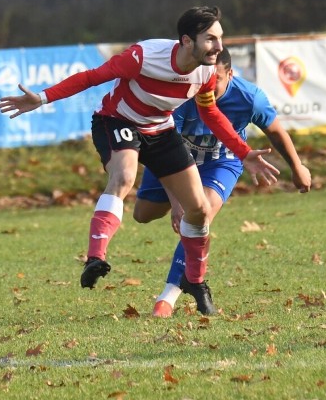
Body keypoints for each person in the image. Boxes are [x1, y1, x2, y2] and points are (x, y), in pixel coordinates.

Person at [0, 6, 280, 315]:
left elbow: (210, 113)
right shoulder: (144, 56)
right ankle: (95, 257)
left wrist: (244, 152)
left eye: (220, 38)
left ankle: (194, 282)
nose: (219, 47)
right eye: (211, 39)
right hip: (117, 121)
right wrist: (42, 97)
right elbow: (92, 78)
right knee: (124, 176)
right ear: (187, 41)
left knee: (198, 210)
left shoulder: (207, 73)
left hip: (160, 129)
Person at [133, 47, 312, 318]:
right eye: (202, 76)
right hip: (174, 162)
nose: (206, 83)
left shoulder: (249, 98)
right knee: (143, 214)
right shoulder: (183, 96)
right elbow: (163, 147)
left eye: (214, 78)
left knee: (198, 215)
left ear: (230, 73)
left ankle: (168, 296)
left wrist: (297, 167)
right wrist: (176, 200)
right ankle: (184, 233)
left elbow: (275, 131)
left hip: (221, 162)